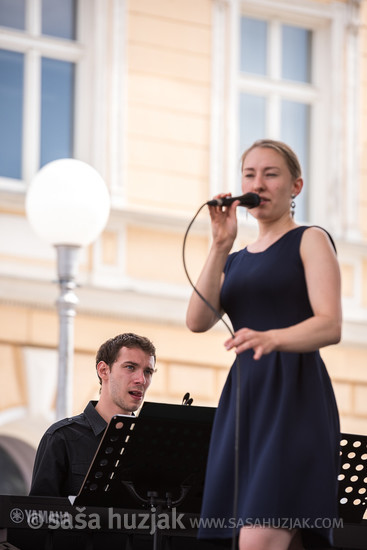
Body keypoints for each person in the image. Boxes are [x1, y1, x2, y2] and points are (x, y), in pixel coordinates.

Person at [186, 139, 342, 550]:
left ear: (296, 186)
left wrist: (272, 337)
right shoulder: (235, 259)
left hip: (294, 397)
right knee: (243, 538)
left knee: (260, 536)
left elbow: (330, 325)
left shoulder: (310, 240)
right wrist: (220, 244)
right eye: (250, 175)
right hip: (245, 399)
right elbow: (197, 320)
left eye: (271, 174)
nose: (259, 183)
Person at [29, 332, 156, 497]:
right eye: (130, 367)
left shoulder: (150, 442)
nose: (142, 380)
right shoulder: (61, 437)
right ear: (103, 370)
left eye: (148, 371)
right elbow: (39, 515)